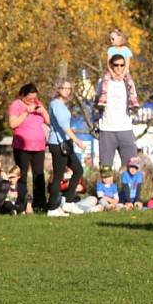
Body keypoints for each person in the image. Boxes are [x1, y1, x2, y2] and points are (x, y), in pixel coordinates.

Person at [8, 83, 50, 213]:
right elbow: (13, 123)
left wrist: (43, 112)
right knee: (23, 175)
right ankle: (22, 204)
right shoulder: (16, 105)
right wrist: (26, 112)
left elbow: (49, 122)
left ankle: (40, 204)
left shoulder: (38, 103)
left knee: (39, 175)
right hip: (22, 147)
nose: (32, 100)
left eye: (34, 98)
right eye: (29, 98)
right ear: (23, 95)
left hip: (39, 146)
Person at [47, 80, 86, 216]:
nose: (67, 90)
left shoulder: (62, 105)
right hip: (58, 144)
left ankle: (68, 203)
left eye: (69, 88)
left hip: (66, 142)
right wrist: (77, 141)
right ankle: (52, 208)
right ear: (58, 89)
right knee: (58, 177)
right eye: (64, 88)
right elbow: (64, 126)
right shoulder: (56, 104)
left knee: (78, 170)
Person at [94, 54, 138, 168]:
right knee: (106, 169)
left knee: (132, 168)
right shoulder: (102, 81)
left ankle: (126, 186)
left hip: (126, 128)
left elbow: (134, 103)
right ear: (111, 66)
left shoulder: (129, 83)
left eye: (122, 65)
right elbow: (96, 103)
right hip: (107, 129)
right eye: (116, 65)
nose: (119, 68)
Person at [99, 29, 139, 109]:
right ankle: (104, 95)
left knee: (130, 82)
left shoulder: (126, 50)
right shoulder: (111, 50)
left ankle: (132, 98)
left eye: (113, 39)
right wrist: (112, 73)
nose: (111, 41)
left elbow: (127, 63)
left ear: (120, 38)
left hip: (124, 71)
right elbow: (108, 63)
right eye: (110, 39)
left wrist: (123, 74)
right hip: (111, 70)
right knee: (105, 79)